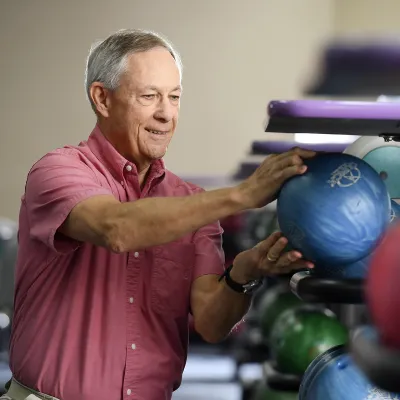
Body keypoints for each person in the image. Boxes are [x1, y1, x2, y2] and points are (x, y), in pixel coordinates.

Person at [2, 29, 315, 400]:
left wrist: (244, 273)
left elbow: (212, 323)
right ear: (102, 98)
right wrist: (242, 194)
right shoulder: (57, 171)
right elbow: (116, 227)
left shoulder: (191, 203)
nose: (166, 113)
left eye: (175, 97)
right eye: (149, 96)